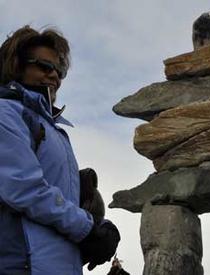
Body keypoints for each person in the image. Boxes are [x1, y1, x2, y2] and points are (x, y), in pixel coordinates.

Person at [0, 25, 120, 275]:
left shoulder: (51, 128)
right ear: (17, 65)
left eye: (60, 70)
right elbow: (25, 190)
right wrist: (89, 229)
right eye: (44, 66)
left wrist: (96, 224)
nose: (54, 75)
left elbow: (56, 206)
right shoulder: (6, 113)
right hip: (23, 265)